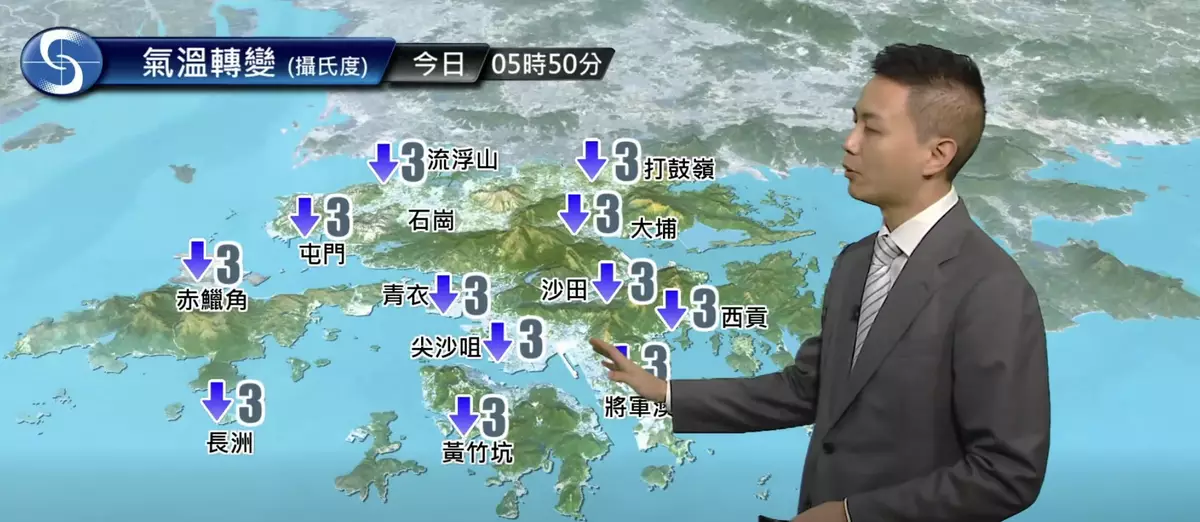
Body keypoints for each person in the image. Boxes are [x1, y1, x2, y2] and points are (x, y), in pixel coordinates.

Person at [591, 43, 1051, 522]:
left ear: (936, 155)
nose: (850, 143)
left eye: (872, 128)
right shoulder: (856, 263)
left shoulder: (990, 288)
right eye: (855, 123)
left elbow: (1007, 474)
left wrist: (852, 515)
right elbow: (808, 389)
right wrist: (665, 392)